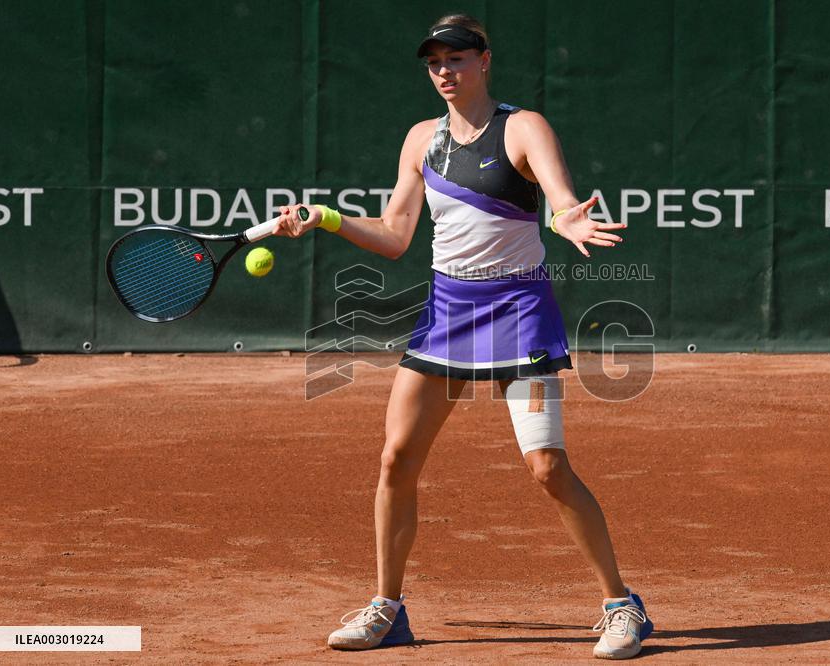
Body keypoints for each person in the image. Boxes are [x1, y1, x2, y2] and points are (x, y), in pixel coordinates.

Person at [273, 13, 652, 660]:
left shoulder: (523, 127)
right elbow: (395, 234)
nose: (444, 72)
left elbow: (560, 201)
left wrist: (568, 223)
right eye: (434, 62)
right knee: (396, 460)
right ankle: (388, 609)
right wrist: (328, 218)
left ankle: (623, 605)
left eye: (457, 59)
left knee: (547, 467)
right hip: (448, 316)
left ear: (485, 60)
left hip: (519, 315)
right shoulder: (422, 138)